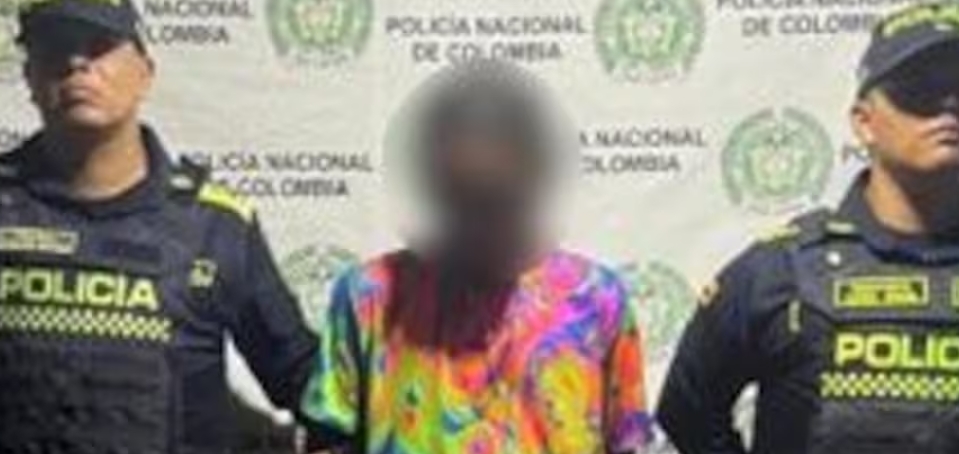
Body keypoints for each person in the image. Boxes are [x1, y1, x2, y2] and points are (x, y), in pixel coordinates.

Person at [0, 1, 317, 452]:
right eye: (57, 47)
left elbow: (307, 382)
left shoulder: (216, 225)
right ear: (30, 76)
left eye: (99, 45)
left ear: (145, 73)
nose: (77, 62)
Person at [300, 59, 652, 454]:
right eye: (467, 198)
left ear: (537, 174)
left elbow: (629, 442)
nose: (483, 224)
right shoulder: (369, 297)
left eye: (497, 201)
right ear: (432, 181)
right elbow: (328, 438)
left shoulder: (595, 299)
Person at [658, 3, 959, 453]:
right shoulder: (779, 270)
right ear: (864, 122)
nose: (949, 107)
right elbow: (687, 410)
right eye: (919, 92)